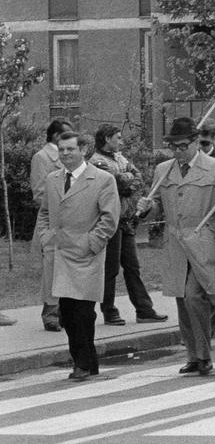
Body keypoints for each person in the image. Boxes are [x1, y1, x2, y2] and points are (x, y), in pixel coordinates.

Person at [137, 118, 215, 376]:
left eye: (182, 146)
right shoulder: (163, 170)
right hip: (176, 243)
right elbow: (157, 205)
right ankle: (195, 356)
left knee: (196, 297)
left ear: (195, 143)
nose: (178, 151)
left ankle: (202, 354)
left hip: (204, 241)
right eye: (173, 147)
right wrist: (147, 209)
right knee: (183, 300)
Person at [36, 131, 120, 379]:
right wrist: (44, 236)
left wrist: (91, 242)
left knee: (83, 312)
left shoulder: (102, 179)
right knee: (66, 312)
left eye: (70, 149)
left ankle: (83, 363)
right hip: (59, 252)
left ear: (83, 150)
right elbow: (44, 212)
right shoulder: (53, 179)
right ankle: (85, 361)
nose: (65, 154)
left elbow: (109, 218)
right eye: (61, 150)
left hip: (85, 255)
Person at [89, 124, 165, 327]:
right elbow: (111, 184)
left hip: (126, 219)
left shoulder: (120, 158)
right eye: (118, 137)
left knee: (132, 267)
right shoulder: (97, 161)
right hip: (109, 219)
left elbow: (137, 177)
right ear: (107, 138)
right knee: (111, 268)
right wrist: (124, 181)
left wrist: (126, 181)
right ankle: (109, 310)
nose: (121, 141)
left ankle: (144, 309)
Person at [30, 118, 73, 333]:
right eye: (66, 134)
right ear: (55, 136)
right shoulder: (42, 157)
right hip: (52, 222)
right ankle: (50, 314)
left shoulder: (71, 157)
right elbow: (38, 193)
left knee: (67, 268)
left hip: (72, 223)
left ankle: (66, 313)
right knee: (52, 269)